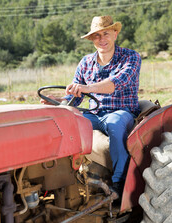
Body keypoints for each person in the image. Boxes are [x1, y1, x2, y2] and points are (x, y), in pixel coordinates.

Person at [41, 15, 141, 198]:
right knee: (66, 123)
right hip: (94, 113)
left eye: (106, 34)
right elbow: (76, 97)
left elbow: (116, 83)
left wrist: (86, 88)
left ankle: (119, 182)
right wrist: (58, 101)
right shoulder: (86, 62)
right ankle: (65, 177)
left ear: (115, 33)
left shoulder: (130, 57)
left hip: (120, 111)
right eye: (96, 36)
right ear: (92, 40)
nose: (101, 39)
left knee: (115, 125)